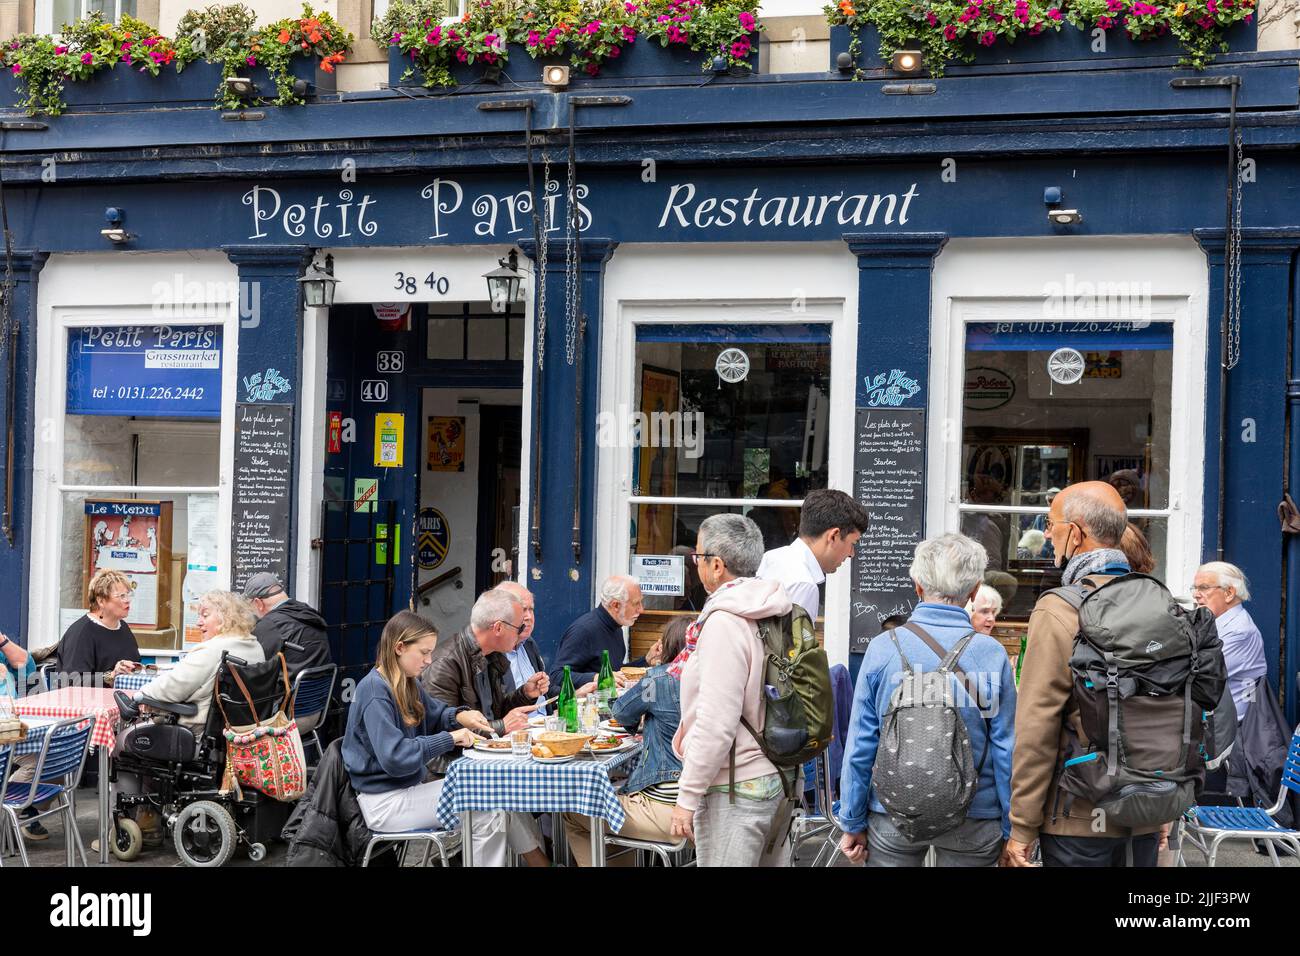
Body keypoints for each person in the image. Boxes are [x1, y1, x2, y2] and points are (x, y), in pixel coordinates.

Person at [1003, 480, 1162, 868]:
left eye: (1051, 522)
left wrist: (1022, 826)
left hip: (1077, 815)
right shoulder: (1159, 601)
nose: (1046, 533)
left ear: (1075, 532)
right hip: (1146, 810)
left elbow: (1037, 727)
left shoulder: (1058, 609)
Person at [836, 534, 1017, 867]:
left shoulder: (883, 648)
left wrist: (852, 819)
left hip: (892, 812)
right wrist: (1012, 827)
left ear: (917, 586)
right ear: (975, 592)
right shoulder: (991, 654)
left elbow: (861, 742)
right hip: (975, 817)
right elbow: (1005, 748)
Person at [342, 610, 519, 867]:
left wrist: (461, 716)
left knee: (494, 798)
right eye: (424, 652)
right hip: (385, 803)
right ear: (400, 647)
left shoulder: (405, 682)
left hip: (404, 792)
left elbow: (436, 713)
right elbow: (396, 757)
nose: (429, 660)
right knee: (487, 809)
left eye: (431, 652)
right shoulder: (375, 691)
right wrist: (450, 738)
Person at [668, 513, 794, 867]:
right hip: (773, 775)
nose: (696, 565)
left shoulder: (725, 622)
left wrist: (687, 797)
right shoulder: (772, 609)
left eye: (697, 557)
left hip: (736, 786)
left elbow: (716, 722)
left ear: (717, 565)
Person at [421, 589, 551, 867]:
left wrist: (524, 695)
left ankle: (541, 862)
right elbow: (442, 731)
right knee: (500, 798)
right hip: (446, 773)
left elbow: (495, 709)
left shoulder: (488, 655)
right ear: (498, 628)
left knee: (512, 794)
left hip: (479, 765)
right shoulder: (447, 662)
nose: (524, 628)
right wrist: (502, 726)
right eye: (519, 625)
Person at [563, 617, 691, 866]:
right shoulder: (715, 679)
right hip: (705, 807)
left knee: (573, 810)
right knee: (617, 786)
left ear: (669, 646)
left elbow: (621, 712)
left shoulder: (658, 680)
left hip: (669, 812)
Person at [132, 590, 266, 734]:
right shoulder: (255, 647)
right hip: (242, 732)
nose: (198, 623)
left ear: (225, 618)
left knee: (125, 740)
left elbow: (171, 687)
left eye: (205, 615)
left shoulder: (211, 650)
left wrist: (140, 694)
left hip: (198, 736)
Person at [756, 488, 870, 622]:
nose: (852, 553)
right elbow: (793, 642)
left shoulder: (772, 556)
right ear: (833, 536)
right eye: (853, 543)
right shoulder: (804, 584)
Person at [1192, 562, 1267, 722]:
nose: (1196, 595)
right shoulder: (1216, 625)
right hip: (1213, 725)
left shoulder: (1240, 632)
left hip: (1229, 734)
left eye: (1204, 587)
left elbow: (1196, 675)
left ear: (1229, 593)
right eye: (1195, 588)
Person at [550, 574, 644, 689]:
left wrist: (646, 660)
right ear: (615, 605)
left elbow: (615, 672)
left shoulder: (616, 626)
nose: (641, 609)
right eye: (636, 603)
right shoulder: (584, 630)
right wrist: (597, 678)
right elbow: (556, 676)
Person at [57, 569, 142, 688]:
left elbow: (135, 664)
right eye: (121, 596)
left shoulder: (123, 627)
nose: (127, 600)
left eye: (128, 594)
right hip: (89, 704)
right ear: (101, 601)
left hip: (122, 700)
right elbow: (71, 681)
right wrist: (111, 676)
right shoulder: (82, 632)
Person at [243, 572, 332, 679]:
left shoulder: (270, 624)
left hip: (288, 692)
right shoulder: (309, 613)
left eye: (250, 606)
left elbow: (256, 662)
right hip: (319, 691)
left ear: (258, 603)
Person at [1, 630, 45, 841]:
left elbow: (27, 668)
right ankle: (9, 817)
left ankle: (22, 810)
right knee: (35, 760)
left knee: (51, 753)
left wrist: (2, 641)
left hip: (8, 729)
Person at [495, 581, 548, 718]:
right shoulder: (492, 650)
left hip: (544, 724)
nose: (529, 617)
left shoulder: (529, 643)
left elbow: (544, 692)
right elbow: (496, 709)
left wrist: (575, 693)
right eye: (523, 610)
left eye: (531, 610)